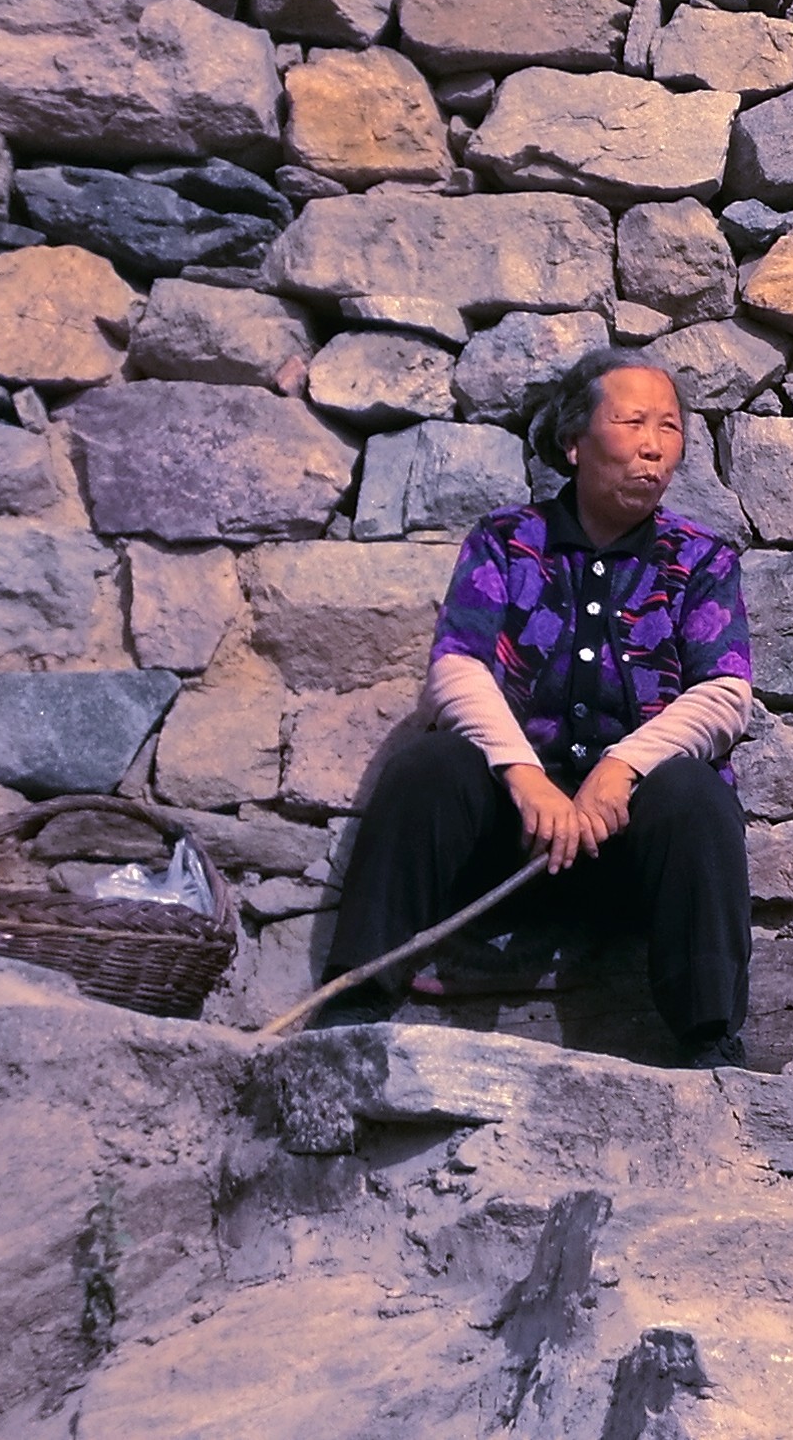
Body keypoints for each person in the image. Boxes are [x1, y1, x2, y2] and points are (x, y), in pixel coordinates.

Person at [321, 350, 759, 1065]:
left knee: (694, 794)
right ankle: (354, 1002)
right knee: (429, 767)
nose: (654, 443)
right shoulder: (506, 543)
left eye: (670, 427)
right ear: (574, 442)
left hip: (628, 851)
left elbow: (724, 693)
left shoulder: (700, 560)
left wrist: (620, 770)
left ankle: (708, 1038)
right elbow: (456, 668)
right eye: (631, 421)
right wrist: (525, 778)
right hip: (510, 845)